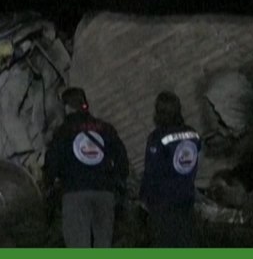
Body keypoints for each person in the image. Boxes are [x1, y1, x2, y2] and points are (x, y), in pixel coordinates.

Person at [43, 86, 130, 247]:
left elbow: (52, 164)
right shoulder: (106, 128)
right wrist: (116, 183)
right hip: (104, 194)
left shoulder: (63, 132)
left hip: (75, 194)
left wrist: (48, 186)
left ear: (66, 108)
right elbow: (122, 161)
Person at [141, 91, 202, 247]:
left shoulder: (157, 137)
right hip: (186, 200)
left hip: (163, 204)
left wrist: (144, 198)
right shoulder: (193, 134)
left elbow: (151, 172)